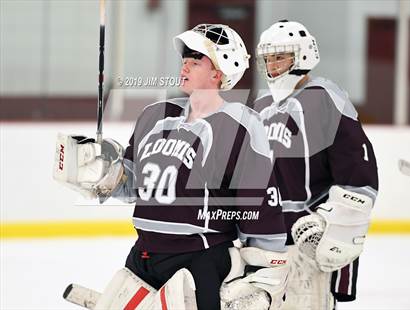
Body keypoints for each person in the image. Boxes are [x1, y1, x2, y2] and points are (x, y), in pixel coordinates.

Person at [54, 24, 289, 310]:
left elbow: (259, 199)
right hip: (144, 255)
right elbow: (131, 187)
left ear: (219, 71)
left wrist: (264, 272)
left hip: (201, 257)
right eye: (184, 60)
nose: (185, 66)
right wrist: (104, 174)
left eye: (195, 61)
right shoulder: (154, 115)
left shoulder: (240, 124)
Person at [253, 20, 379, 309]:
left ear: (304, 55)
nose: (272, 66)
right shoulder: (261, 106)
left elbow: (358, 175)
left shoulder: (326, 99)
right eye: (268, 58)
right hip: (264, 242)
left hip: (307, 242)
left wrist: (331, 225)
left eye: (280, 56)